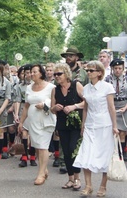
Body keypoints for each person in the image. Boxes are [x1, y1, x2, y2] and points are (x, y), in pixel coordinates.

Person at [73, 60, 119, 197]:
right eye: (87, 70)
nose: (88, 73)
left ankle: (103, 186)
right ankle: (88, 186)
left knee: (105, 156)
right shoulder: (86, 88)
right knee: (86, 154)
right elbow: (86, 108)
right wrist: (83, 125)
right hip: (90, 126)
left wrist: (115, 126)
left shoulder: (107, 87)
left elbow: (111, 108)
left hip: (105, 125)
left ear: (99, 73)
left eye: (91, 70)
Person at [18, 64, 56, 185]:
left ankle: (40, 174)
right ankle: (44, 169)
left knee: (43, 146)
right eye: (30, 72)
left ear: (41, 73)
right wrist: (21, 122)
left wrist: (45, 105)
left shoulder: (51, 87)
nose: (31, 74)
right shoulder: (29, 88)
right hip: (33, 121)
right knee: (38, 147)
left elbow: (56, 104)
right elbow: (26, 106)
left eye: (34, 72)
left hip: (46, 120)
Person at [50, 63, 84, 191]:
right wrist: (55, 107)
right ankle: (70, 178)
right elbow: (52, 110)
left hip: (75, 123)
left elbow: (87, 101)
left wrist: (74, 106)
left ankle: (77, 178)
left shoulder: (76, 85)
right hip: (62, 123)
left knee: (73, 149)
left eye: (59, 74)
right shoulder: (55, 89)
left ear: (66, 74)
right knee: (66, 151)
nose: (57, 76)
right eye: (55, 74)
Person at [105, 59, 127, 160]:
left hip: (124, 105)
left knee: (122, 132)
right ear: (112, 69)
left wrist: (126, 107)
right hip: (112, 105)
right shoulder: (107, 79)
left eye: (120, 68)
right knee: (114, 131)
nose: (117, 70)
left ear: (123, 68)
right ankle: (114, 153)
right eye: (115, 68)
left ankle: (121, 154)